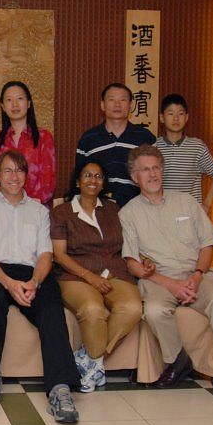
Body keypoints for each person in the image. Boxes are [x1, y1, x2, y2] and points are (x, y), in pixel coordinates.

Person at [119, 144, 213, 412]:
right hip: (160, 279)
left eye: (156, 168)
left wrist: (195, 277)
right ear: (134, 176)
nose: (152, 174)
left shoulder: (186, 201)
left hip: (197, 274)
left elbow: (207, 244)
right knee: (156, 310)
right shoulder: (129, 213)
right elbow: (132, 263)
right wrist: (171, 284)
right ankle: (179, 359)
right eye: (145, 170)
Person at [0, 149, 81, 423]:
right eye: (7, 170)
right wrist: (8, 284)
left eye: (19, 170)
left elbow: (46, 255)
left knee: (52, 306)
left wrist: (33, 282)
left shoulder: (40, 212)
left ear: (27, 176)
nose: (13, 176)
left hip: (32, 273)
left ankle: (59, 388)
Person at [50, 160, 142, 392]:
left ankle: (91, 360)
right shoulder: (62, 212)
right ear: (78, 182)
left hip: (114, 272)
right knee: (93, 310)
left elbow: (127, 244)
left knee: (132, 308)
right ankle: (94, 363)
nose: (93, 180)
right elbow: (59, 255)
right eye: (88, 176)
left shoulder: (113, 209)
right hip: (75, 275)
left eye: (98, 176)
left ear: (103, 183)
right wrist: (90, 277)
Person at [75, 82, 156, 207]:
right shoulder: (88, 139)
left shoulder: (145, 138)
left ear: (131, 105)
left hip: (139, 208)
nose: (117, 104)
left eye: (123, 100)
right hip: (98, 209)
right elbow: (80, 178)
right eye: (112, 99)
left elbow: (154, 176)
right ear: (102, 105)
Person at [0, 81, 56, 206]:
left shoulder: (44, 137)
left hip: (36, 208)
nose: (15, 104)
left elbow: (48, 180)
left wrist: (26, 205)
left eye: (20, 98)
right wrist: (7, 205)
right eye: (9, 100)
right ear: (2, 106)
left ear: (29, 103)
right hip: (3, 209)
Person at [153, 93, 213, 213]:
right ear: (162, 118)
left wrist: (207, 204)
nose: (176, 118)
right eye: (170, 113)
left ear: (187, 117)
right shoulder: (154, 148)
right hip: (161, 213)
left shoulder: (197, 147)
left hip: (191, 214)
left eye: (180, 113)